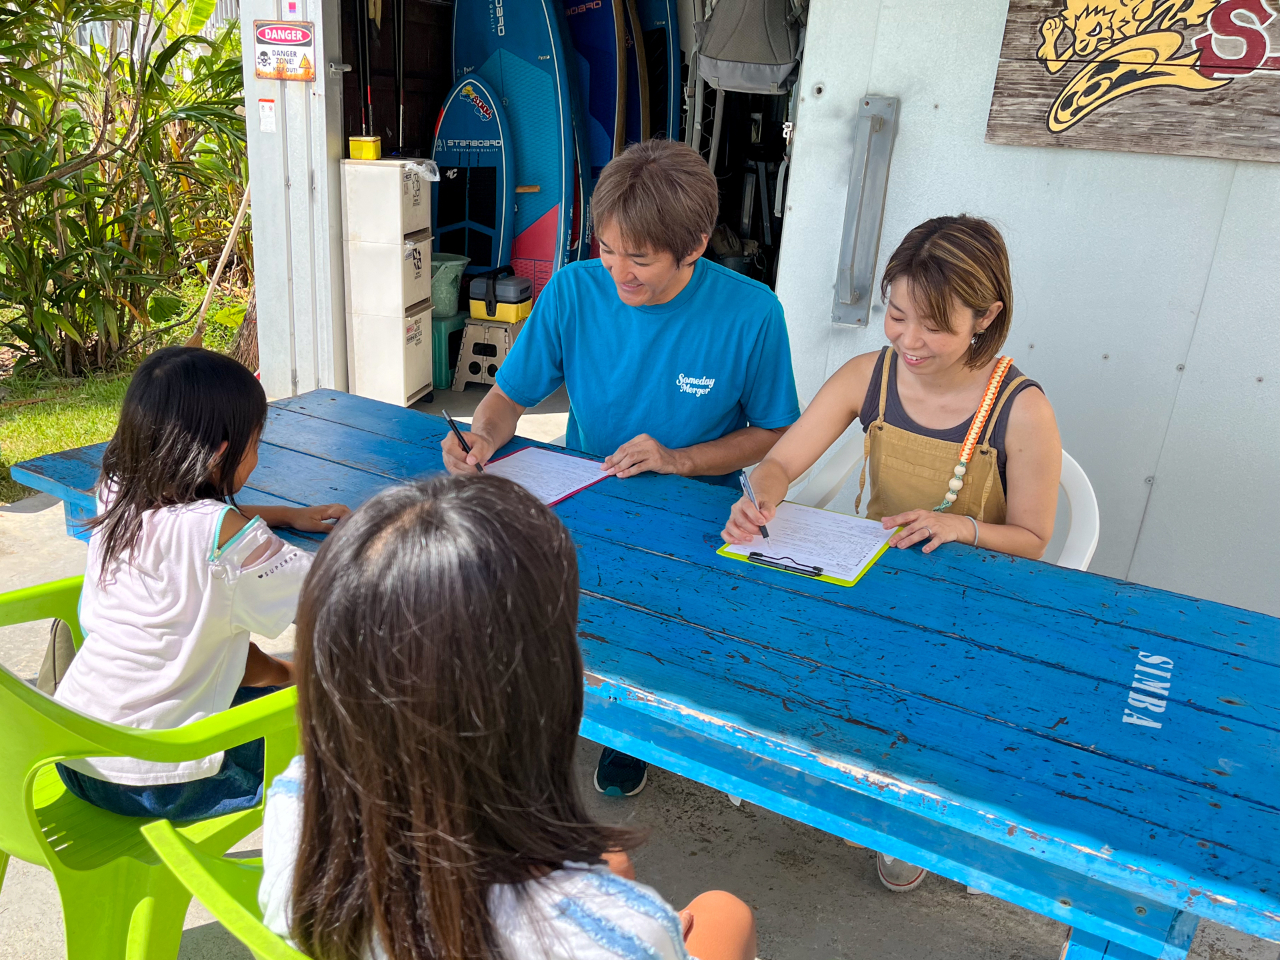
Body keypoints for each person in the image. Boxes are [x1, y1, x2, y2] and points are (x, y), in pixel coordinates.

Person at [259, 475, 758, 960]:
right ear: (547, 689)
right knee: (724, 911)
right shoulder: (621, 930)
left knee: (615, 864)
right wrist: (635, 921)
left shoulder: (297, 799)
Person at [442, 138, 801, 797]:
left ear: (693, 245)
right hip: (586, 493)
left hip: (695, 512)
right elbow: (506, 399)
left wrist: (680, 459)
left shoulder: (751, 314)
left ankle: (628, 732)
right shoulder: (576, 292)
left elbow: (775, 431)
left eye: (640, 259)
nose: (619, 273)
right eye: (608, 250)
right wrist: (480, 440)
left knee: (662, 633)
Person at [722, 215, 1061, 891]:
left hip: (972, 595)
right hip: (875, 572)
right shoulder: (867, 376)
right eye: (897, 314)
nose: (909, 339)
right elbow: (782, 461)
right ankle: (814, 771)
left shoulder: (1021, 409)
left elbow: (1032, 540)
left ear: (986, 316)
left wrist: (959, 527)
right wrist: (759, 492)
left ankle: (913, 822)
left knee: (930, 711)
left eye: (933, 324)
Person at [53, 346, 349, 820]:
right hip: (160, 781)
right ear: (222, 453)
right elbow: (338, 590)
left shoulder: (118, 486)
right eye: (257, 443)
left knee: (258, 667)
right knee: (349, 721)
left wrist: (286, 515)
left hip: (71, 751)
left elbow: (198, 521)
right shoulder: (223, 542)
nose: (258, 455)